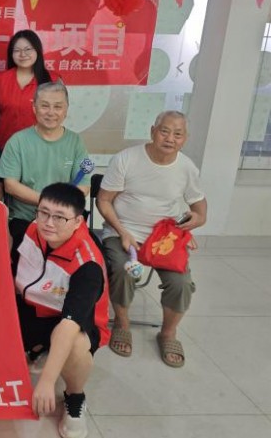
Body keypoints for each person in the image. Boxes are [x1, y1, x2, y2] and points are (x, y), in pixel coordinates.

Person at [96, 111, 207, 368]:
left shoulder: (187, 167)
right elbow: (104, 200)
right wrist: (122, 231)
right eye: (164, 131)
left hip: (164, 238)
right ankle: (122, 323)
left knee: (181, 282)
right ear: (152, 131)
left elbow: (200, 210)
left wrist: (194, 222)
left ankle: (168, 333)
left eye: (177, 134)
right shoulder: (126, 159)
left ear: (185, 139)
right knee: (122, 270)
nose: (170, 138)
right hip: (122, 232)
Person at [13, 183, 109, 438]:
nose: (48, 223)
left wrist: (47, 381)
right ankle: (37, 349)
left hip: (69, 320)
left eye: (59, 217)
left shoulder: (88, 264)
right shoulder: (32, 230)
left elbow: (69, 324)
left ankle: (75, 397)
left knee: (74, 344)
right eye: (43, 213)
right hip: (33, 306)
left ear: (78, 221)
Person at [0, 82, 90, 252]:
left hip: (64, 222)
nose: (51, 112)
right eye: (45, 106)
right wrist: (50, 204)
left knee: (90, 258)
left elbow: (83, 186)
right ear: (34, 108)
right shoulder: (18, 141)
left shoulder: (76, 141)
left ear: (66, 110)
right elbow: (10, 185)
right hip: (25, 219)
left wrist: (57, 210)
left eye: (58, 107)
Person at [0, 29, 56, 149]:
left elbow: (58, 113)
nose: (22, 54)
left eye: (28, 49)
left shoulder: (53, 80)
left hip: (41, 147)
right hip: (7, 146)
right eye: (17, 50)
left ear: (37, 50)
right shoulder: (1, 79)